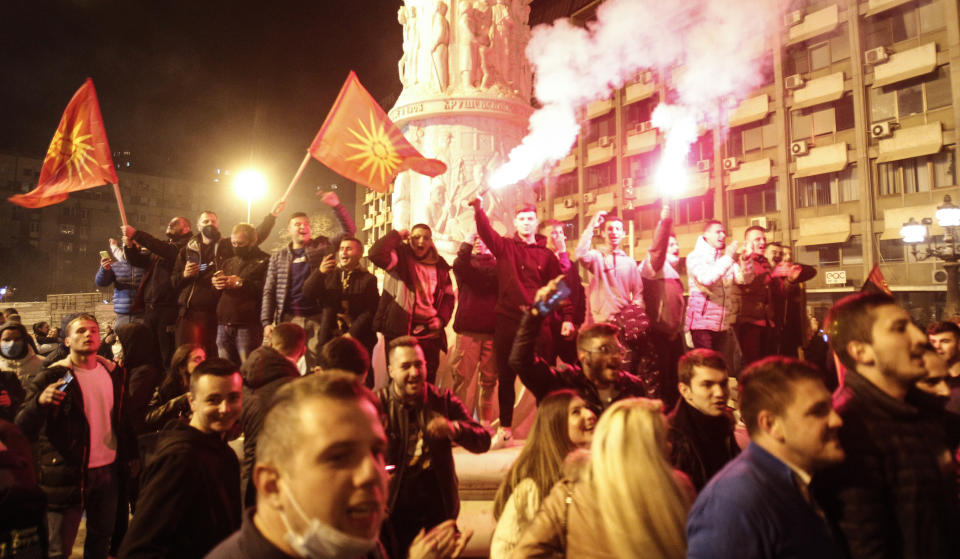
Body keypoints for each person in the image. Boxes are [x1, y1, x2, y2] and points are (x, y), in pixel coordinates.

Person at [206, 372, 472, 559]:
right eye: (339, 457)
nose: (372, 474)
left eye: (377, 451)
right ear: (272, 484)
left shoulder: (349, 543)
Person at [816, 292, 960, 558]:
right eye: (899, 329)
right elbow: (865, 545)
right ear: (861, 351)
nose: (918, 339)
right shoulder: (847, 429)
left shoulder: (924, 412)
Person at [686, 357, 846, 559]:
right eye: (818, 411)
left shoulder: (802, 481)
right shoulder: (733, 504)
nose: (836, 420)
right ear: (770, 424)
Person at [16, 314, 135, 559]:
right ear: (67, 341)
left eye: (93, 330)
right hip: (66, 473)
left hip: (108, 471)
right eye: (80, 331)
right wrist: (39, 402)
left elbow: (123, 419)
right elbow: (22, 425)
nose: (88, 334)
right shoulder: (53, 376)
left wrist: (130, 456)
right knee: (59, 549)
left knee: (101, 542)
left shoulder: (112, 373)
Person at [512, 398, 690, 559]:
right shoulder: (678, 487)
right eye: (663, 438)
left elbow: (523, 554)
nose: (670, 445)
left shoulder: (570, 491)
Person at [377, 337, 490, 559]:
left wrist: (454, 429)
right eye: (405, 366)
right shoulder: (377, 404)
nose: (414, 372)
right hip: (393, 510)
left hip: (437, 508)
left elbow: (483, 440)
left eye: (418, 364)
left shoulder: (443, 400)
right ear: (391, 371)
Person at [118, 358, 243, 559]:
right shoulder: (180, 459)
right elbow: (138, 549)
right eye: (213, 400)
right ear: (192, 402)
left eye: (233, 398)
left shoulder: (221, 452)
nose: (225, 408)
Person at [470, 198, 566, 448]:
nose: (526, 222)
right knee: (506, 375)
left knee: (543, 376)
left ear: (536, 223)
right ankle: (505, 430)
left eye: (530, 218)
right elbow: (486, 232)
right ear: (515, 222)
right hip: (507, 321)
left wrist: (542, 313)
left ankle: (548, 428)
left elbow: (560, 288)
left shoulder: (546, 255)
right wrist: (479, 210)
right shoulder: (504, 247)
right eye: (521, 218)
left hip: (537, 325)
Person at [509, 276, 647, 417]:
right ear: (583, 355)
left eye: (619, 350)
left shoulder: (632, 387)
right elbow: (520, 361)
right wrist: (536, 313)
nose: (616, 356)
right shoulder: (563, 384)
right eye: (605, 349)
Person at [490, 390, 596, 559]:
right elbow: (504, 550)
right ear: (556, 425)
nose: (590, 415)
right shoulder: (531, 488)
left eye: (587, 408)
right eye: (576, 412)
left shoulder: (598, 472)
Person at [261, 193, 356, 370]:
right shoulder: (278, 257)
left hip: (317, 318)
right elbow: (269, 291)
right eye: (298, 224)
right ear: (289, 229)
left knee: (317, 364)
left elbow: (349, 231)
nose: (303, 227)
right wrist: (266, 322)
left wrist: (337, 206)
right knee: (281, 364)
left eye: (306, 224)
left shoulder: (321, 246)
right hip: (289, 319)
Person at [369, 225, 454, 386]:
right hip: (400, 329)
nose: (421, 241)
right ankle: (397, 412)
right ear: (409, 240)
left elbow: (449, 298)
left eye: (426, 238)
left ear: (431, 242)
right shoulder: (399, 258)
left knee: (427, 380)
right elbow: (375, 253)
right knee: (399, 379)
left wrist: (441, 320)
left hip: (429, 333)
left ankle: (423, 411)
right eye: (416, 237)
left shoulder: (439, 264)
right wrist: (397, 235)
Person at [238, 322, 305, 507]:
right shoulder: (294, 390)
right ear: (304, 351)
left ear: (270, 344)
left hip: (245, 477)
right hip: (276, 483)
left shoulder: (246, 373)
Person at [302, 235, 380, 386]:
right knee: (327, 381)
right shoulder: (329, 274)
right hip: (329, 337)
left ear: (359, 254)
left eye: (349, 249)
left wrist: (352, 333)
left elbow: (371, 310)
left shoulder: (368, 279)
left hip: (358, 338)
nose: (344, 253)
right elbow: (307, 293)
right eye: (342, 249)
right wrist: (319, 272)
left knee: (360, 383)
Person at [123, 216, 194, 366]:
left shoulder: (186, 246)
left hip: (168, 307)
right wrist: (129, 247)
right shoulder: (165, 246)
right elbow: (139, 261)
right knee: (151, 351)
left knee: (166, 352)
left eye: (175, 223)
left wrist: (136, 235)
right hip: (151, 307)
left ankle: (169, 384)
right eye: (170, 222)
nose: (170, 225)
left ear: (186, 228)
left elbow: (166, 250)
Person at [667, 349, 739, 491]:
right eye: (707, 385)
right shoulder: (671, 435)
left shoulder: (726, 423)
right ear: (685, 390)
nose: (719, 393)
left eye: (723, 384)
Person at [685, 220, 752, 374]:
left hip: (722, 326)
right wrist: (728, 257)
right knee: (707, 369)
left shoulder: (724, 258)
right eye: (717, 232)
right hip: (701, 326)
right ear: (706, 235)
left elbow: (744, 279)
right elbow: (706, 278)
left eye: (723, 232)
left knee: (721, 370)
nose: (723, 235)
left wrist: (746, 260)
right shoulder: (695, 257)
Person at [449, 234, 499, 427]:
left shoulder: (499, 266)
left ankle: (485, 424)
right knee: (461, 380)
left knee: (489, 381)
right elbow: (459, 265)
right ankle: (459, 423)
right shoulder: (464, 266)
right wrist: (466, 245)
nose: (479, 241)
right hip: (468, 331)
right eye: (475, 239)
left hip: (492, 332)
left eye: (483, 237)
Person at [641, 205, 685, 408]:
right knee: (663, 379)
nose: (675, 247)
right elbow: (657, 250)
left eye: (676, 244)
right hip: (658, 334)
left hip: (674, 335)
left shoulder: (672, 273)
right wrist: (665, 223)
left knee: (676, 378)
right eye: (670, 243)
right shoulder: (652, 268)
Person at [214, 223, 270, 365]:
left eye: (240, 243)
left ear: (252, 242)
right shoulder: (229, 262)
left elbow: (267, 289)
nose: (236, 247)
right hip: (223, 322)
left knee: (248, 367)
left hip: (247, 324)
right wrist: (216, 283)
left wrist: (242, 283)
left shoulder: (265, 261)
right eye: (233, 243)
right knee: (224, 367)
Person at [541, 220, 586, 365]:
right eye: (553, 233)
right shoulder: (540, 262)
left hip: (569, 326)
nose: (558, 237)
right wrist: (562, 254)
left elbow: (578, 292)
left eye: (560, 232)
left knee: (577, 367)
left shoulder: (569, 263)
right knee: (547, 369)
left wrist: (577, 321)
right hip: (549, 327)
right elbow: (560, 283)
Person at [767, 242, 817, 358]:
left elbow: (812, 271)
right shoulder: (772, 277)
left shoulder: (796, 277)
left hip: (794, 330)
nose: (788, 257)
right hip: (777, 328)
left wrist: (792, 269)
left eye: (791, 255)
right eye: (784, 254)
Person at [735, 226, 775, 367]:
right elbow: (746, 285)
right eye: (757, 239)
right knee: (753, 366)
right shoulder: (741, 261)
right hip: (749, 323)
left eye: (764, 239)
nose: (762, 242)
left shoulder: (764, 263)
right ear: (746, 242)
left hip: (766, 321)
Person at [145, 343, 206, 430]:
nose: (203, 363)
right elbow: (150, 417)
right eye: (197, 359)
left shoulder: (203, 383)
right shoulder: (166, 385)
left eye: (204, 358)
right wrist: (182, 400)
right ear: (183, 365)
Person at [95, 237, 145, 328]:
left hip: (143, 314)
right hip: (122, 315)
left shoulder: (146, 265)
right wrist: (104, 270)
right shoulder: (116, 266)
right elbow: (101, 282)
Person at [0, 319, 44, 384]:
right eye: (7, 339)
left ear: (25, 341)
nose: (12, 343)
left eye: (17, 339)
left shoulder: (42, 364)